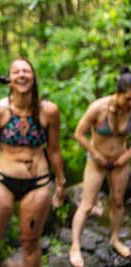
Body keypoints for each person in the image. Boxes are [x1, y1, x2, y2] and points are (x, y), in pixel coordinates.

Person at [0, 58, 66, 267]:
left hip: (38, 183)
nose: (22, 75)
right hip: (2, 181)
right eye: (16, 72)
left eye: (26, 71)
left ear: (33, 78)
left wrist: (61, 182)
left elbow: (54, 150)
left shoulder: (49, 111)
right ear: (9, 80)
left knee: (30, 244)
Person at [69, 66, 131, 267]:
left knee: (118, 202)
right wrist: (96, 154)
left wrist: (127, 155)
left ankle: (115, 239)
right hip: (96, 161)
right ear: (117, 93)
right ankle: (75, 247)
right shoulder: (98, 108)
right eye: (128, 98)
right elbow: (79, 133)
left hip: (120, 162)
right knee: (87, 205)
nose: (130, 103)